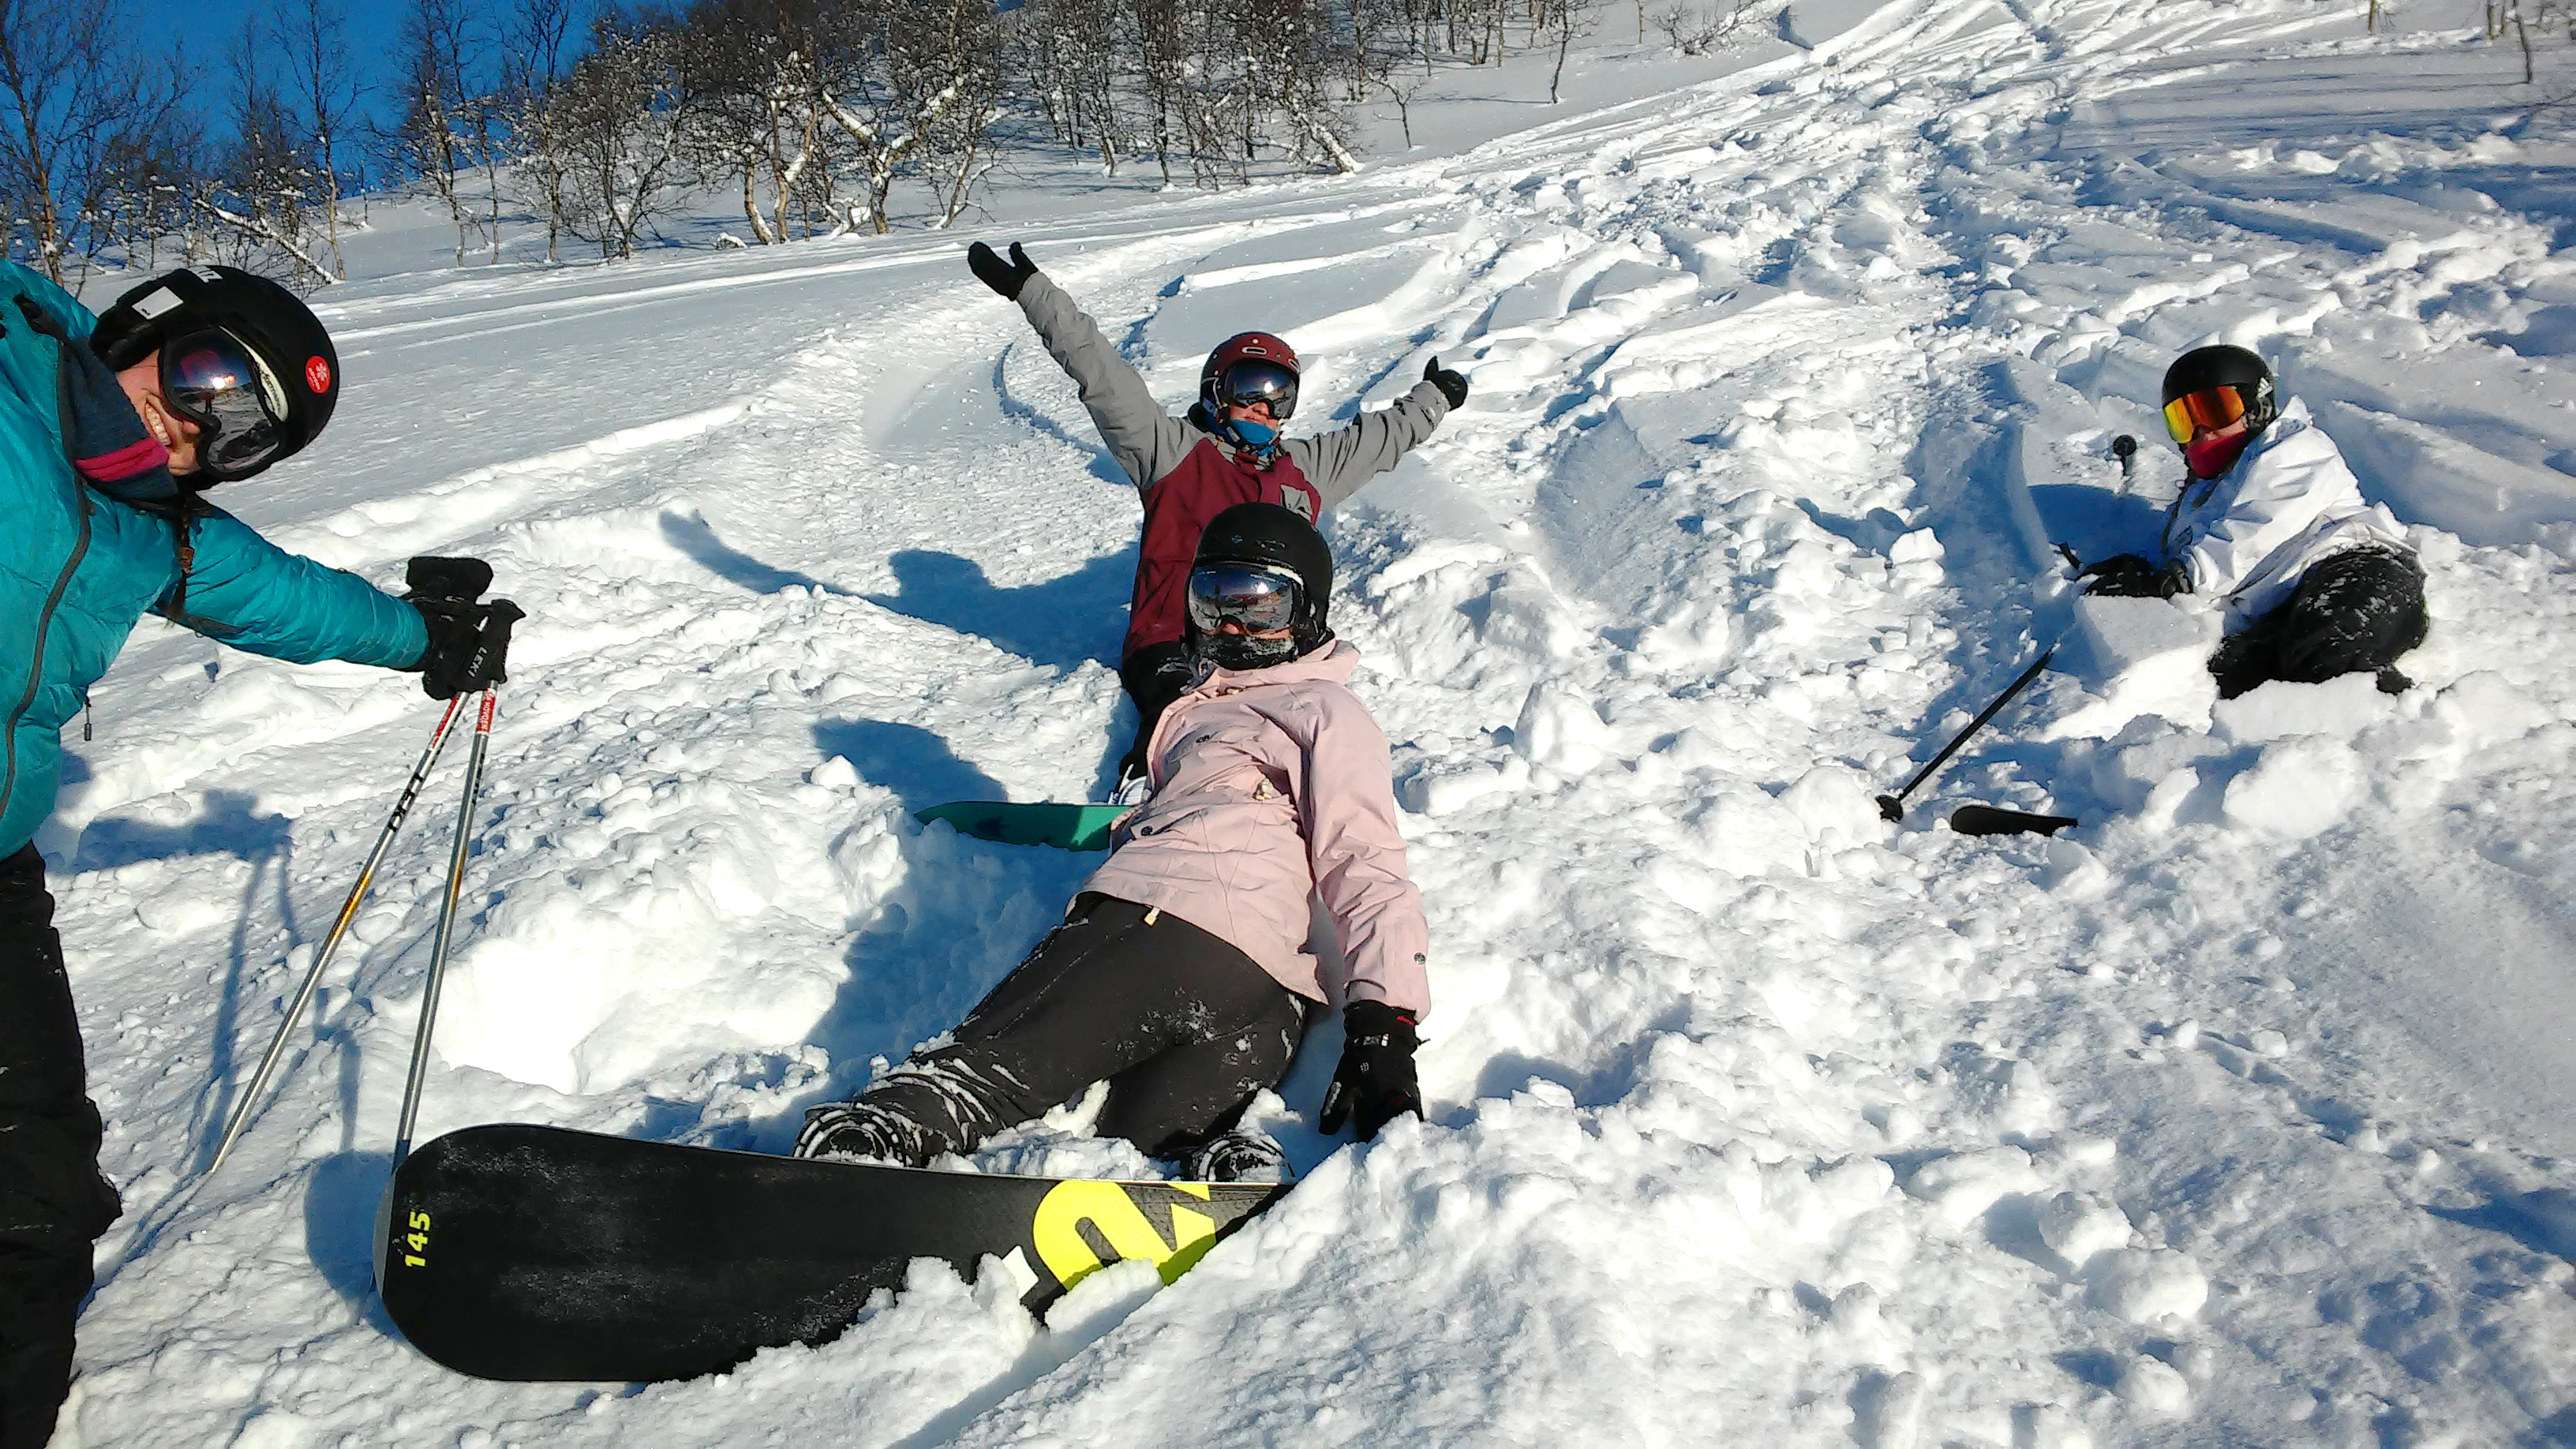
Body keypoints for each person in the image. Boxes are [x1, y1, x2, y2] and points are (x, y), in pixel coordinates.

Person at [0, 263, 517, 1449]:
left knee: (35, 1203)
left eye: (242, 436)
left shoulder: (150, 519)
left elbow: (275, 595)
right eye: (210, 375)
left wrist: (424, 639)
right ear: (149, 326)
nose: (197, 425)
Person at [797, 504, 1429, 1182]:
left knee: (989, 1074)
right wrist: (1382, 1023)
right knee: (1139, 1152)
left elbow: (1364, 859)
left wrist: (1387, 1019)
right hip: (1266, 1001)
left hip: (1166, 927)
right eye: (1214, 601)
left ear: (1307, 612)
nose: (1233, 626)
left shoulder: (1322, 708)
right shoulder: (1220, 711)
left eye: (1261, 605)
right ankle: (1221, 1163)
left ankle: (874, 1136)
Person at [963, 239, 1466, 789]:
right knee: (1183, 716)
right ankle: (1150, 790)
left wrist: (1436, 396)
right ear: (1215, 393)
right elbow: (1103, 375)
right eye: (1249, 390)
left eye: (1281, 396)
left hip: (1273, 639)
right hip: (1177, 643)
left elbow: (1382, 438)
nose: (1265, 408)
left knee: (1313, 723)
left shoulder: (1304, 469)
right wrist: (1035, 294)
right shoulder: (1172, 453)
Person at [2082, 344, 2426, 698]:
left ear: (2256, 408)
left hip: (2357, 571)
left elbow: (2256, 532)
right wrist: (2147, 570)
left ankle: (2400, 718)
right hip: (2283, 605)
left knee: (2328, 653)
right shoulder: (2204, 492)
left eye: (2215, 412)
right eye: (2185, 421)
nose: (2202, 431)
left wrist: (2180, 575)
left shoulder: (2294, 450)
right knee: (2227, 674)